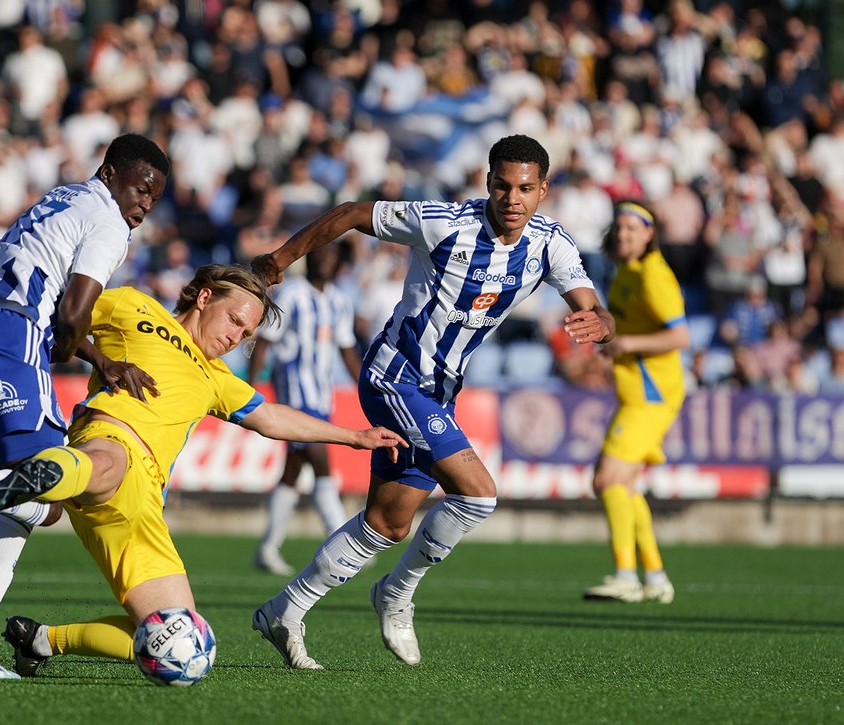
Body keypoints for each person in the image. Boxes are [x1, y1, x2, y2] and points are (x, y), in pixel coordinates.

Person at [0, 265, 406, 675]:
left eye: (247, 333)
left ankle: (40, 640)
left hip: (145, 504)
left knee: (183, 643)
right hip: (109, 443)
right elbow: (36, 309)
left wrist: (355, 436)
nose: (236, 337)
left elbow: (270, 418)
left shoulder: (217, 379)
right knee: (106, 463)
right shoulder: (133, 308)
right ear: (205, 296)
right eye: (234, 319)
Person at [249, 134, 616, 669]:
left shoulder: (549, 244)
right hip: (395, 377)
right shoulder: (444, 222)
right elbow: (352, 212)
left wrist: (602, 322)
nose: (512, 198)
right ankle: (397, 594)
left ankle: (286, 609)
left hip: (438, 394)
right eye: (502, 186)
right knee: (479, 495)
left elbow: (590, 304)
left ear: (543, 191)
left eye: (525, 189)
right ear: (487, 184)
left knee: (388, 523)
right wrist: (279, 259)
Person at [0, 133, 170, 678]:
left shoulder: (60, 198)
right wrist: (91, 357)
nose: (143, 205)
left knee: (36, 496)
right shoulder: (109, 223)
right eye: (140, 189)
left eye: (154, 199)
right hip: (9, 339)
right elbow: (70, 314)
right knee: (48, 494)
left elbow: (22, 280)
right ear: (111, 172)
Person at [582, 201, 689, 605]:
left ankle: (626, 575)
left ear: (649, 233)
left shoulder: (654, 277)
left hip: (652, 396)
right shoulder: (626, 271)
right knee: (622, 484)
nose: (624, 234)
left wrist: (626, 344)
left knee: (606, 480)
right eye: (620, 227)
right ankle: (657, 578)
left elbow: (680, 337)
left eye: (633, 228)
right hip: (637, 393)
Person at [247, 243, 363, 576]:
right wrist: (253, 386)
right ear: (310, 260)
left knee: (294, 469)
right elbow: (266, 340)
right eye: (320, 255)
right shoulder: (293, 294)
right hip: (294, 390)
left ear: (339, 263)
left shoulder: (340, 301)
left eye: (331, 256)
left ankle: (268, 548)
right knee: (321, 461)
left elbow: (347, 350)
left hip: (322, 394)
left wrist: (367, 388)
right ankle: (346, 543)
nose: (325, 261)